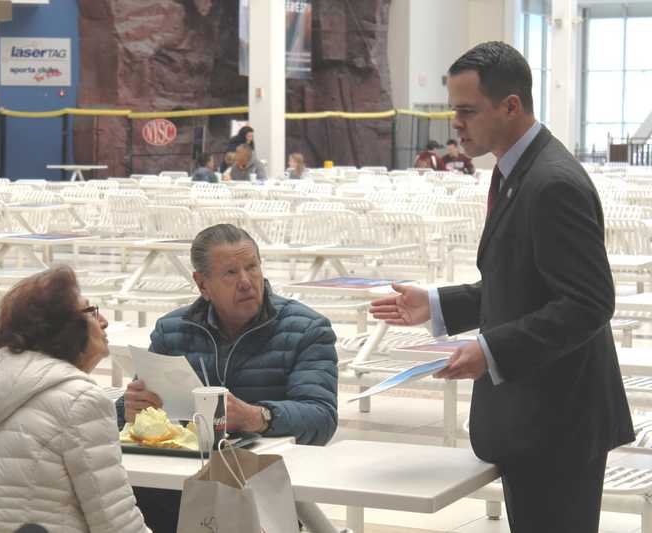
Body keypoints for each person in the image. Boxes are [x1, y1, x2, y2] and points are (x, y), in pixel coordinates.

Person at [370, 41, 633, 533]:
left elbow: (588, 303)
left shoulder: (552, 182)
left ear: (511, 106)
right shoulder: (520, 173)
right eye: (454, 110)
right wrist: (437, 303)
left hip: (560, 419)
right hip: (536, 413)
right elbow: (519, 285)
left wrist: (490, 350)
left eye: (468, 110)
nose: (456, 123)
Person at [116, 224, 338, 532]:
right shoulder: (173, 331)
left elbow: (322, 418)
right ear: (202, 284)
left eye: (252, 267)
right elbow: (132, 413)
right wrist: (127, 409)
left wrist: (258, 417)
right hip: (175, 486)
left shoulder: (305, 329)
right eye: (230, 273)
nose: (246, 282)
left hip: (264, 485)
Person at [0, 266, 149, 533]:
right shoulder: (80, 400)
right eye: (91, 312)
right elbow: (116, 522)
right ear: (64, 328)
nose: (104, 321)